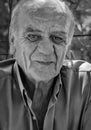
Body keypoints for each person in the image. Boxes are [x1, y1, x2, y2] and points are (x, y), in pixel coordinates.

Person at [0, 0, 91, 130]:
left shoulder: (86, 84)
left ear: (67, 46)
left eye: (58, 38)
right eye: (32, 36)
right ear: (13, 40)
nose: (46, 50)